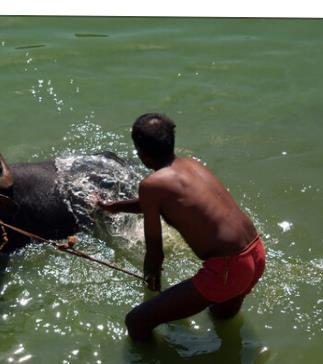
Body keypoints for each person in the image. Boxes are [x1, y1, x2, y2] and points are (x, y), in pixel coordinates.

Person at [96, 113, 265, 341]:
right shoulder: (191, 164)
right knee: (221, 316)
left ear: (140, 152)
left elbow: (154, 248)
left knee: (136, 321)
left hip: (228, 267)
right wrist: (113, 207)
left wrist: (150, 280)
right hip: (254, 253)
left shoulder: (151, 185)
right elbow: (155, 203)